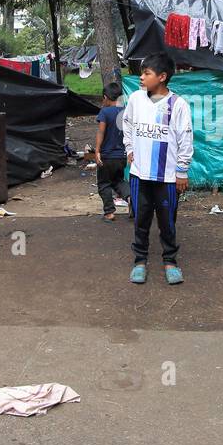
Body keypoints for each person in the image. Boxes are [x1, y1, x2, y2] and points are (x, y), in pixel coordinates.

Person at [122, 53, 193, 285]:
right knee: (141, 218)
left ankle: (170, 261)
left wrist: (182, 170)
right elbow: (128, 124)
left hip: (167, 176)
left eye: (146, 73)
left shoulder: (178, 105)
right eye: (141, 72)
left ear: (162, 77)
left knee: (167, 220)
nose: (141, 77)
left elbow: (185, 138)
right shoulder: (135, 99)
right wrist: (129, 148)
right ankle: (140, 261)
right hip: (139, 174)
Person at [94, 83, 131, 222]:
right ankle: (130, 198)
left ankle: (109, 213)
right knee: (119, 181)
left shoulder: (105, 112)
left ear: (105, 97)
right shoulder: (125, 111)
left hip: (107, 156)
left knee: (104, 183)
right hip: (121, 156)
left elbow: (101, 131)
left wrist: (97, 150)